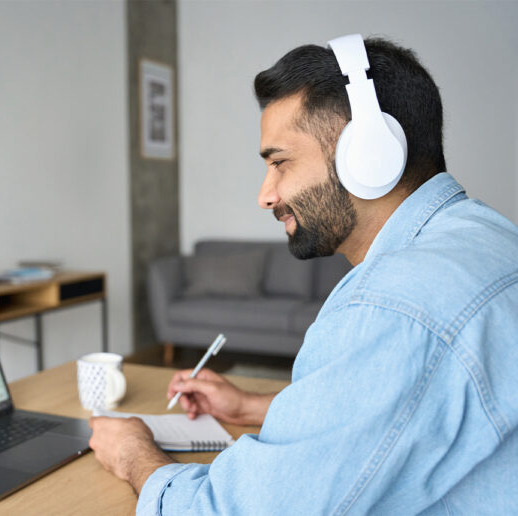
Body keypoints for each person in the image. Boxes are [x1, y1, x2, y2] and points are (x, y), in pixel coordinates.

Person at [88, 36, 518, 515]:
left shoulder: (392, 305)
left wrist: (133, 453)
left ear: (368, 155)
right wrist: (251, 407)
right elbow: (404, 411)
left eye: (279, 163)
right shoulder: (493, 238)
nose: (266, 195)